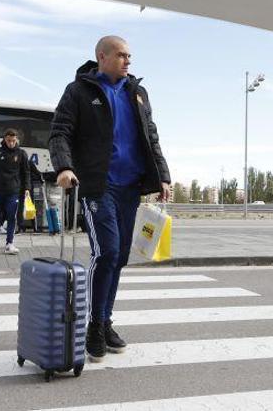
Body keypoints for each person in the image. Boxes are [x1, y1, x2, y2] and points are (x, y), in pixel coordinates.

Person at [50, 35, 171, 362]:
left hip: (130, 186)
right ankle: (92, 325)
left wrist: (162, 175)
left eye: (130, 55)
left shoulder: (138, 93)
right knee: (107, 251)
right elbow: (60, 131)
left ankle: (104, 321)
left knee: (120, 258)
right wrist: (63, 166)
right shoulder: (79, 91)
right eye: (121, 55)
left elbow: (152, 135)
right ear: (102, 57)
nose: (128, 60)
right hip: (97, 185)